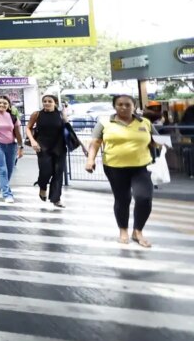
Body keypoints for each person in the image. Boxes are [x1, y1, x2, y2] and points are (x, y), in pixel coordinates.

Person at [85, 95, 159, 247]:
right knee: (123, 199)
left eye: (127, 104)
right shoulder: (104, 123)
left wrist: (162, 144)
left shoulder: (145, 122)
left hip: (142, 167)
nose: (123, 107)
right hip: (114, 167)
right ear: (114, 106)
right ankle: (123, 230)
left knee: (144, 198)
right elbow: (95, 143)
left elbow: (158, 141)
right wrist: (90, 160)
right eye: (119, 104)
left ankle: (138, 231)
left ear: (134, 106)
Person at [26, 95, 67, 208]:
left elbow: (68, 129)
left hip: (59, 146)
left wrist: (82, 146)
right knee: (46, 171)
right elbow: (28, 127)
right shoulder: (37, 114)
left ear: (55, 103)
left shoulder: (60, 114)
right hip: (42, 146)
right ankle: (42, 186)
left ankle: (56, 199)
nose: (47, 103)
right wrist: (33, 141)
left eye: (50, 101)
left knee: (58, 173)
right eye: (44, 101)